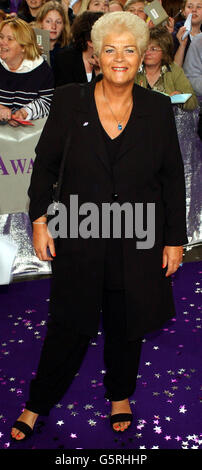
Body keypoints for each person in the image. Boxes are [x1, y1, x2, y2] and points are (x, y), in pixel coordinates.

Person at [11, 11, 188, 441]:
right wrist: (39, 220)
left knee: (127, 323)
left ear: (143, 52)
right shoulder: (70, 100)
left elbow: (170, 178)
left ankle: (120, 395)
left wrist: (174, 241)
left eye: (130, 49)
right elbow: (45, 168)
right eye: (111, 49)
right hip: (79, 230)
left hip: (138, 235)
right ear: (96, 54)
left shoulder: (158, 108)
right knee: (69, 324)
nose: (121, 58)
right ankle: (37, 402)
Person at [0, 17, 54, 123]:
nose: (2, 42)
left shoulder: (41, 70)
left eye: (10, 39)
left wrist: (25, 112)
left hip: (29, 136)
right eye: (1, 37)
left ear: (24, 47)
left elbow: (47, 102)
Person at [135, 26, 198, 110]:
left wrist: (181, 97)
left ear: (164, 52)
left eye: (153, 49)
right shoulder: (134, 69)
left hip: (167, 120)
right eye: (145, 48)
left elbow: (193, 102)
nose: (147, 53)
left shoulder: (174, 70)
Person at [54, 10, 102, 86]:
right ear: (90, 41)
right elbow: (63, 93)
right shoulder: (65, 59)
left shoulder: (111, 61)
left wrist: (100, 73)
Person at [35, 1, 71, 68]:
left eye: (58, 22)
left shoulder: (70, 52)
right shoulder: (31, 48)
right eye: (48, 21)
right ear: (41, 23)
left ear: (63, 25)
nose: (53, 26)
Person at [173, 0, 202, 67]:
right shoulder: (175, 36)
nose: (194, 10)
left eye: (199, 7)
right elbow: (175, 71)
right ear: (183, 12)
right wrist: (182, 45)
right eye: (190, 6)